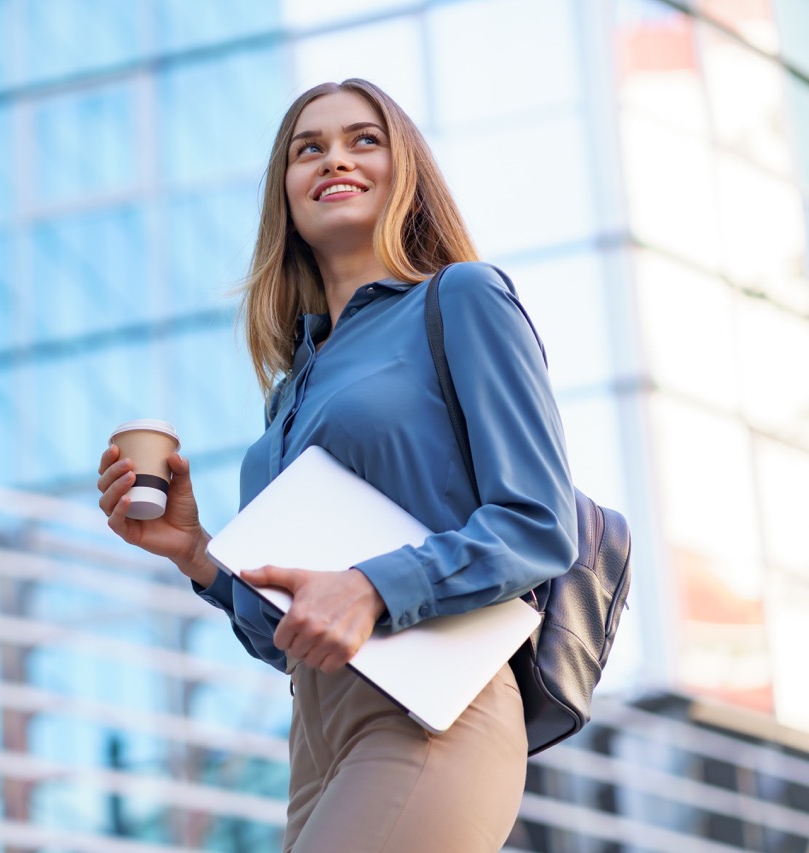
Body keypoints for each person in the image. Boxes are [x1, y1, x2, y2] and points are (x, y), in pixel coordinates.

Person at [96, 78, 578, 852]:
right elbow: (287, 631)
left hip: (432, 714)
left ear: (405, 170)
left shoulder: (462, 298)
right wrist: (197, 552)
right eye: (307, 148)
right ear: (284, 194)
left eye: (364, 139)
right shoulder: (290, 389)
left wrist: (370, 586)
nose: (333, 159)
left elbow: (539, 524)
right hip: (317, 742)